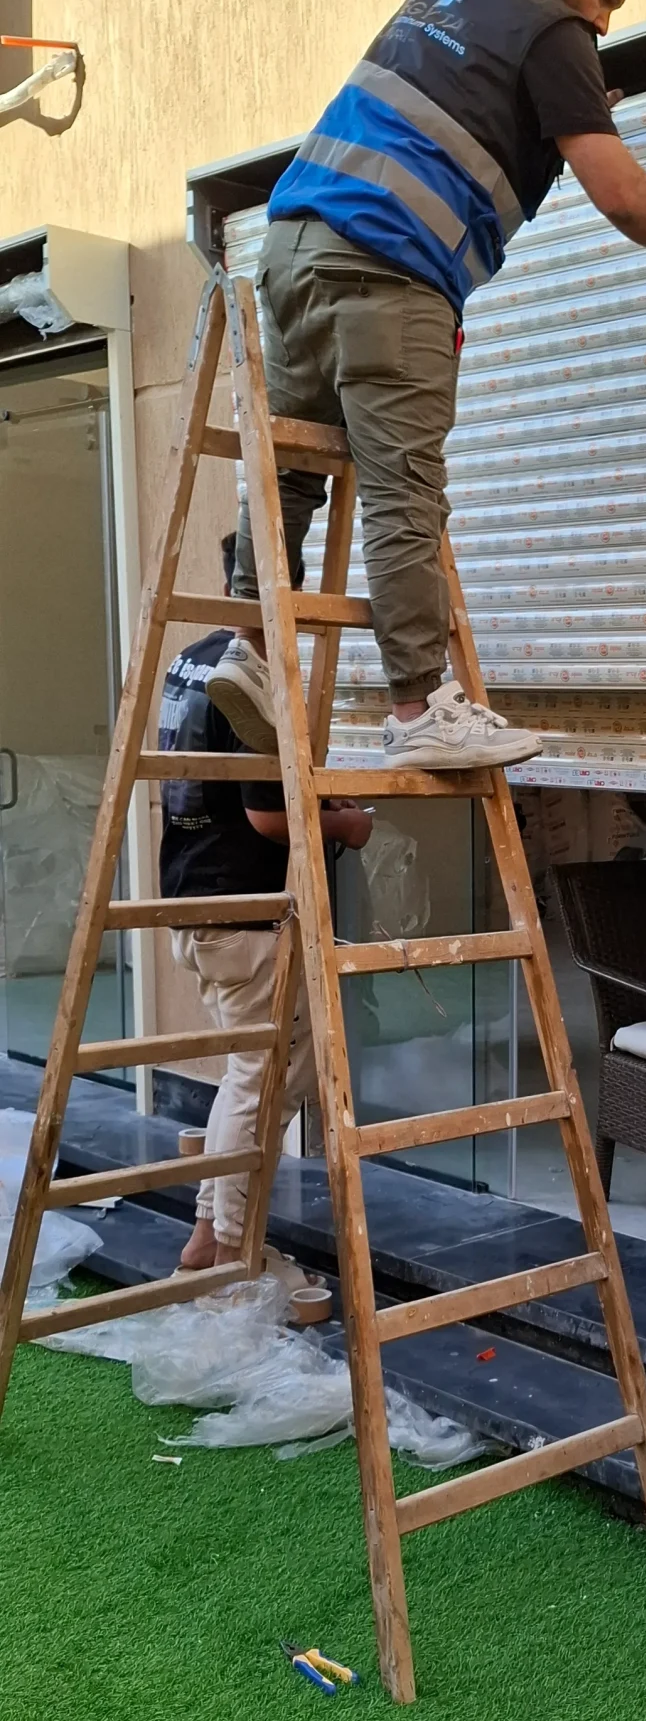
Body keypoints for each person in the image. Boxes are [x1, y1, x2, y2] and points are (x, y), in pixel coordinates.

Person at [210, 0, 646, 773]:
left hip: (292, 250)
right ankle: (417, 708)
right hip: (390, 267)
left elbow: (458, 106)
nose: (604, 22)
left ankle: (249, 647)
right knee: (403, 487)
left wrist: (554, 110)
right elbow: (621, 196)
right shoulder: (555, 32)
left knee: (291, 466)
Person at [159, 535, 373, 1271]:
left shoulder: (191, 660)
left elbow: (234, 789)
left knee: (258, 1073)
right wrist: (346, 824)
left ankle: (208, 1234)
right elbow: (266, 816)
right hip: (243, 908)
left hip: (195, 897)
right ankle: (228, 1244)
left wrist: (316, 796)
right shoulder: (251, 678)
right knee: (266, 1078)